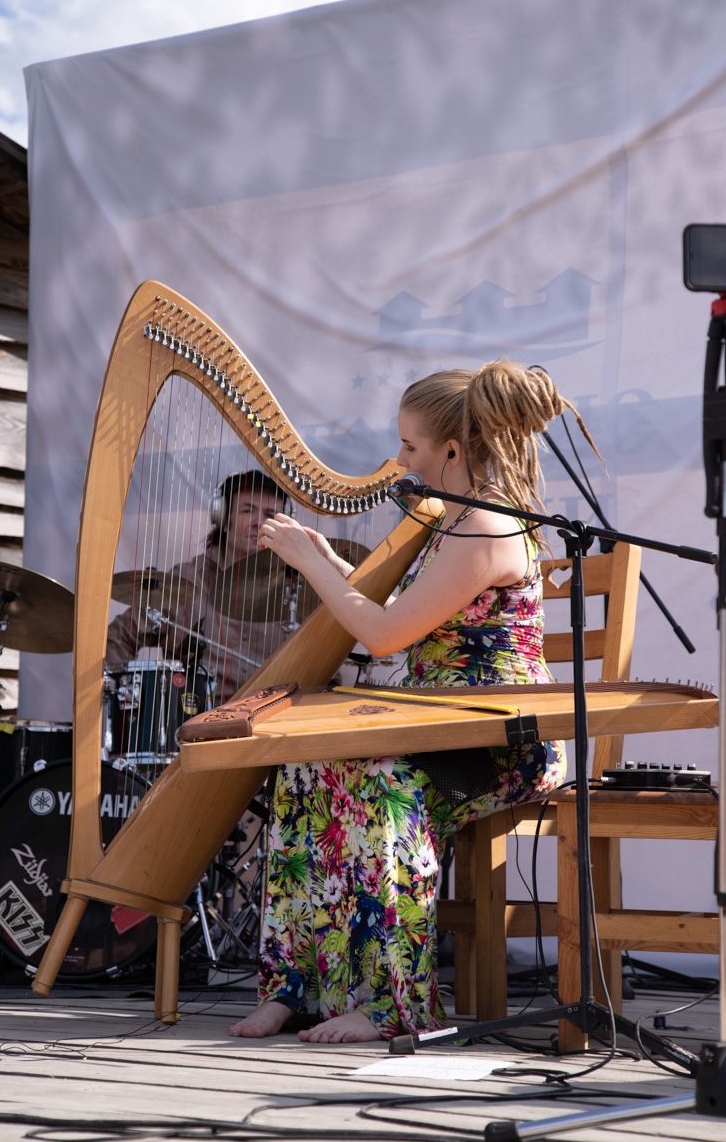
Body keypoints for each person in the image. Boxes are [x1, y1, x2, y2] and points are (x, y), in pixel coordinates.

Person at [228, 359, 602, 1044]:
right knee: (305, 770)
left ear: (452, 450)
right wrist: (328, 561)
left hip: (504, 738)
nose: (400, 460)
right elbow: (405, 613)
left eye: (409, 445)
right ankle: (295, 988)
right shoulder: (451, 523)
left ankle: (393, 1004)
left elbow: (383, 633)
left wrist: (310, 567)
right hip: (439, 728)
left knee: (380, 781)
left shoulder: (486, 529)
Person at [106, 470, 291, 706]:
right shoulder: (186, 579)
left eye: (270, 515)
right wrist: (133, 697)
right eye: (247, 511)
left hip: (273, 722)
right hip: (196, 721)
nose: (259, 523)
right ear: (222, 519)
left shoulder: (295, 589)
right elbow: (118, 637)